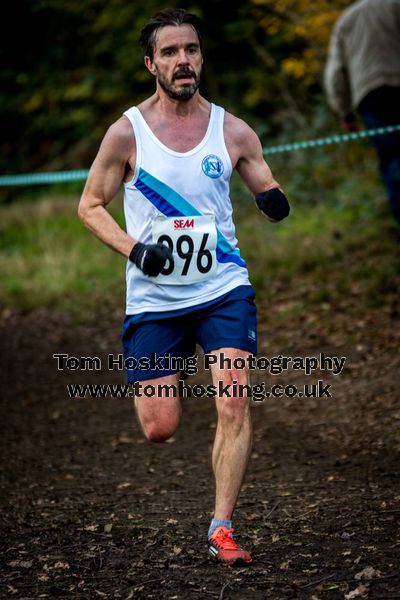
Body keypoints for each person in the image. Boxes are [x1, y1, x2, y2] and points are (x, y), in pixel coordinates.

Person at [78, 8, 289, 566]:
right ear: (151, 64)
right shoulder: (127, 133)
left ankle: (222, 527)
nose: (183, 61)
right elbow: (90, 206)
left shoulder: (233, 129)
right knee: (159, 428)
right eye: (170, 52)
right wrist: (134, 248)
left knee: (235, 400)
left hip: (223, 286)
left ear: (201, 56)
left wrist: (272, 199)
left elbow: (263, 182)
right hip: (156, 298)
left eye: (191, 49)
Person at [324, 0, 400, 225]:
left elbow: (335, 74)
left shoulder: (346, 20)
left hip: (371, 98)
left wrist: (344, 112)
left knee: (392, 158)